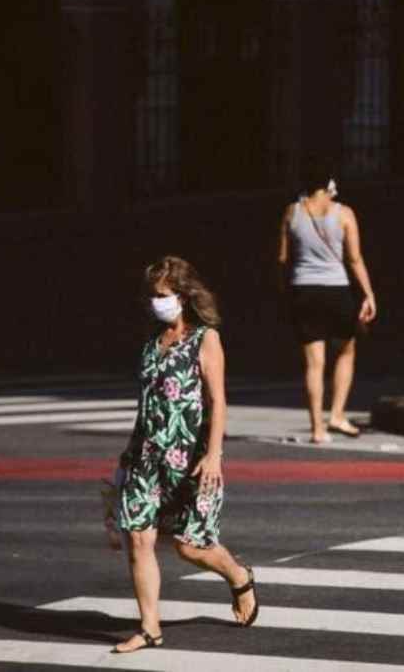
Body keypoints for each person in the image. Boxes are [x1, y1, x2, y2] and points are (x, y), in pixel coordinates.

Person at [113, 256, 258, 653]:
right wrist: (126, 460)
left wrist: (213, 456)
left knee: (189, 545)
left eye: (162, 295)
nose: (155, 303)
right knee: (139, 539)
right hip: (146, 458)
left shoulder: (205, 338)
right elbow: (144, 409)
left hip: (192, 457)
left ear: (183, 294)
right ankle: (149, 628)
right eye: (151, 296)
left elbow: (218, 400)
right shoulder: (151, 345)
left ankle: (238, 576)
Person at [277, 170, 377, 444]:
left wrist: (286, 291)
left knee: (314, 363)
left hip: (303, 290)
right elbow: (354, 259)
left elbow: (283, 259)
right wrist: (368, 293)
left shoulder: (292, 212)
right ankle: (337, 413)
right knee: (346, 350)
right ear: (329, 184)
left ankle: (317, 430)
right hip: (337, 290)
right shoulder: (344, 214)